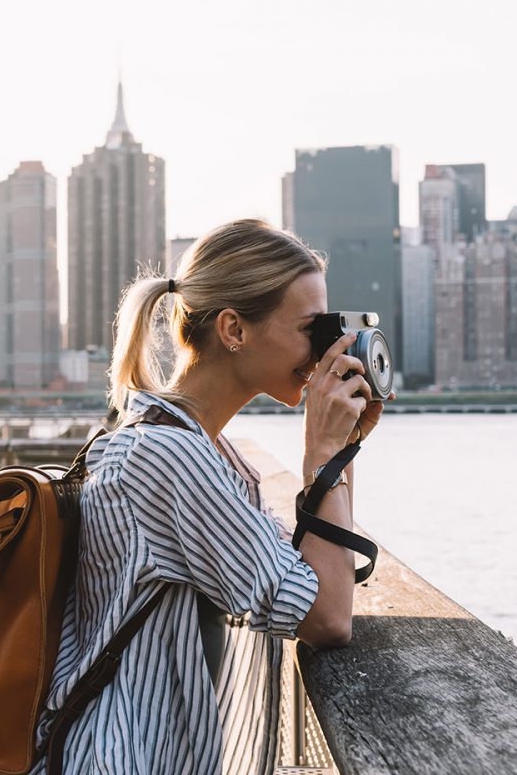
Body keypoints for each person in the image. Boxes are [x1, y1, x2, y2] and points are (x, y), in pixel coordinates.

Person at [34, 219, 391, 774]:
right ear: (234, 329)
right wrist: (320, 457)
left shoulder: (204, 450)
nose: (324, 349)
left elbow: (319, 580)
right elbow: (327, 617)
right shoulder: (170, 458)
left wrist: (338, 452)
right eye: (309, 328)